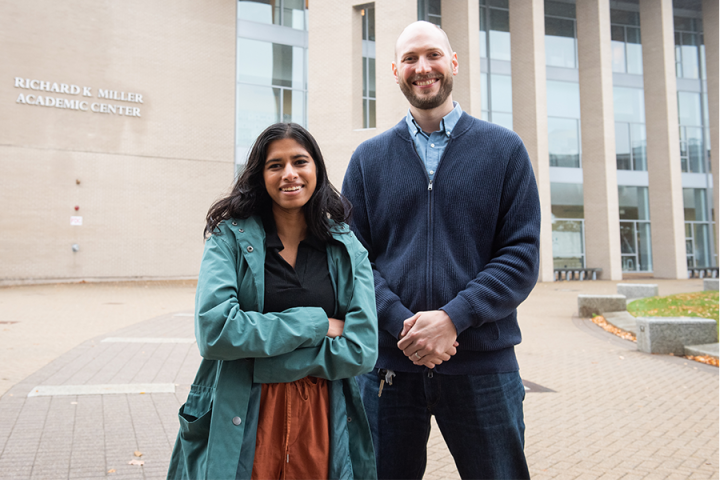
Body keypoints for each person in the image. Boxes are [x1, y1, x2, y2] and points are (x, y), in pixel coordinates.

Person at [341, 21, 540, 479]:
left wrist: (453, 318)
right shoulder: (368, 160)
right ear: (394, 71)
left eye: (432, 55)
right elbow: (352, 259)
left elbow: (520, 254)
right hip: (388, 367)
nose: (422, 67)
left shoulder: (504, 150)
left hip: (483, 365)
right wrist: (402, 326)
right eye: (410, 59)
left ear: (453, 62)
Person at [167, 123, 379, 480]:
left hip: (321, 418)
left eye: (300, 161)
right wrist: (315, 324)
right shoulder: (228, 238)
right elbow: (216, 332)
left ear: (317, 170)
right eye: (275, 165)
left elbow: (361, 349)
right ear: (260, 175)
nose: (289, 174)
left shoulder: (345, 246)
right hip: (245, 412)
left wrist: (259, 363)